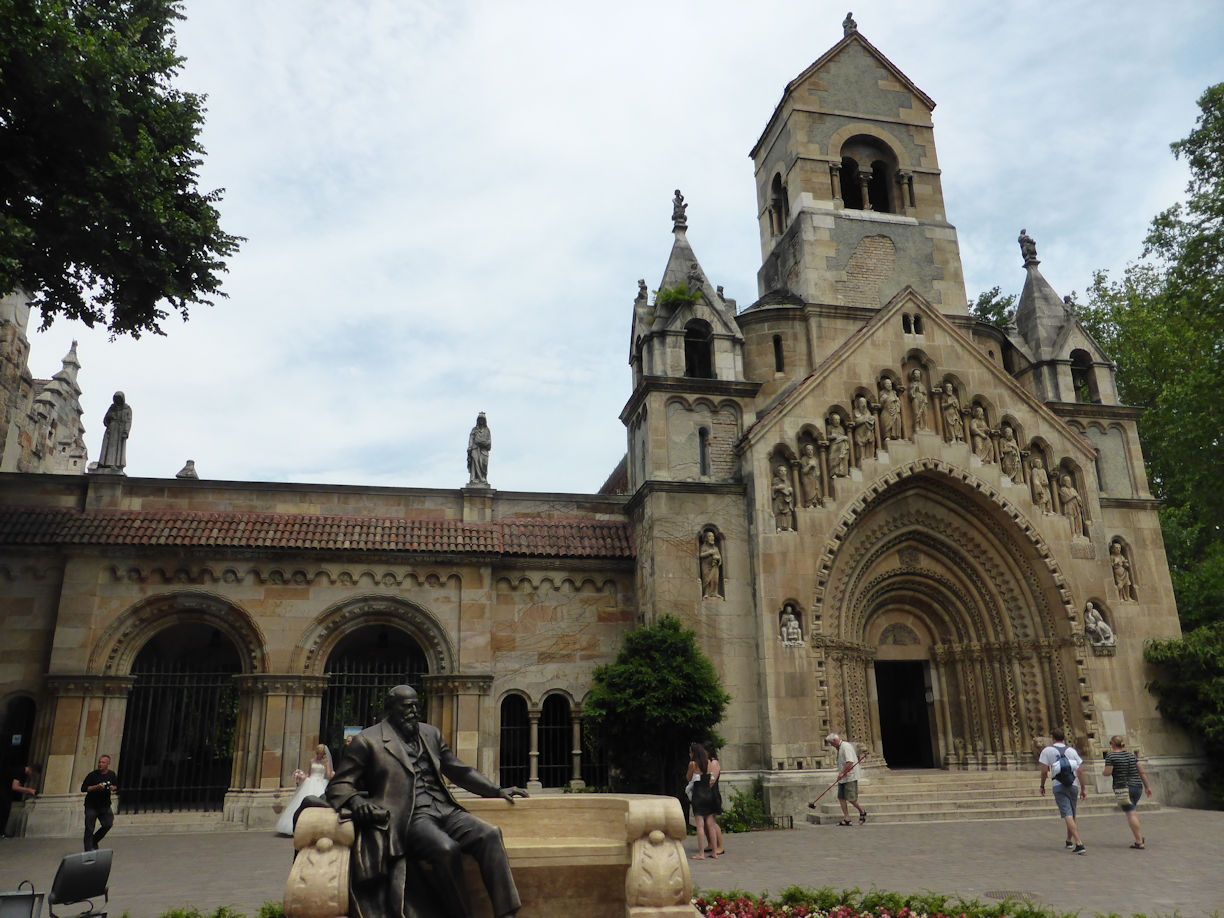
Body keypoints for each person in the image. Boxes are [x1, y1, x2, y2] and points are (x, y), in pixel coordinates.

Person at [325, 685, 527, 918]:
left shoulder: (431, 733)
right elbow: (340, 784)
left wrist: (496, 790)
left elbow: (458, 770)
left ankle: (507, 914)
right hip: (409, 817)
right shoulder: (367, 741)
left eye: (416, 705)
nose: (414, 711)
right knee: (446, 849)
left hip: (444, 808)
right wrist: (358, 803)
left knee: (490, 834)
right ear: (391, 709)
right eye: (407, 706)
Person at [1038, 728, 1087, 854]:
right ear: (1063, 738)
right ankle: (1069, 840)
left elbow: (1044, 771)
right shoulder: (1072, 750)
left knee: (1067, 813)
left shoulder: (1047, 751)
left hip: (1058, 785)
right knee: (1072, 813)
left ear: (1052, 738)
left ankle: (1079, 843)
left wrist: (1042, 785)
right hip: (1073, 784)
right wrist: (1083, 788)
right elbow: (1080, 771)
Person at [1102, 735, 1152, 848]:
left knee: (1130, 813)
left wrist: (1103, 772)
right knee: (1133, 810)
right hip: (1137, 786)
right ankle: (1139, 836)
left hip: (1123, 787)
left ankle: (1139, 841)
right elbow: (1142, 772)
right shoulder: (1131, 755)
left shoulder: (1111, 756)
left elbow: (1108, 772)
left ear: (1113, 744)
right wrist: (1147, 787)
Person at [276, 744, 336, 836]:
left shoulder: (326, 762)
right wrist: (301, 776)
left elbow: (327, 774)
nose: (318, 754)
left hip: (320, 782)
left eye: (320, 752)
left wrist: (333, 775)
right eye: (318, 752)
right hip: (310, 781)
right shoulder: (312, 761)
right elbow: (309, 773)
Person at [685, 743, 721, 859]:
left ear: (694, 753)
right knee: (710, 825)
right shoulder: (709, 763)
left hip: (698, 795)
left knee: (700, 825)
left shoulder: (693, 764)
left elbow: (688, 778)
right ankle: (714, 852)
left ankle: (701, 853)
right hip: (708, 794)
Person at [826, 733, 866, 826]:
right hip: (843, 777)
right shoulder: (839, 748)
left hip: (849, 776)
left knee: (850, 798)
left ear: (835, 741)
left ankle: (862, 811)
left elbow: (850, 762)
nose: (831, 745)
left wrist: (843, 773)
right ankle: (847, 818)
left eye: (831, 743)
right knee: (841, 797)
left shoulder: (845, 747)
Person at [81, 754, 118, 851]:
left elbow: (116, 786)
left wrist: (113, 788)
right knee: (89, 828)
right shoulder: (92, 775)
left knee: (108, 824)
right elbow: (84, 788)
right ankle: (88, 850)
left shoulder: (112, 774)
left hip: (105, 806)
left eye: (103, 762)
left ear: (108, 764)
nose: (100, 764)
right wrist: (96, 787)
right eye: (99, 762)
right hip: (91, 805)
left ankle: (94, 840)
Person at [97, 391, 133, 472]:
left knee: (118, 448)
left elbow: (128, 421)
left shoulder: (127, 408)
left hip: (120, 431)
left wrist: (126, 431)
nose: (118, 400)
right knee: (109, 446)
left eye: (119, 398)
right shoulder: (112, 408)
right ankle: (105, 463)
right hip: (111, 429)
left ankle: (117, 465)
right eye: (116, 399)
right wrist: (110, 416)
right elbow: (105, 420)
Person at [2, 763, 39, 838]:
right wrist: (29, 790)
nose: (31, 777)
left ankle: (2, 832)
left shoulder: (19, 770)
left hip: (5, 792)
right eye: (33, 775)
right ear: (32, 771)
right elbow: (15, 787)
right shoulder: (20, 772)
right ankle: (1, 833)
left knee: (5, 811)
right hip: (3, 793)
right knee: (4, 812)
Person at [466, 412, 492, 485]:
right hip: (475, 448)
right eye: (480, 419)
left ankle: (483, 478)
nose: (481, 421)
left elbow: (489, 443)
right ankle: (474, 479)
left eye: (482, 419)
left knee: (484, 465)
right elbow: (471, 439)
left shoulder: (487, 430)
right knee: (475, 463)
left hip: (484, 451)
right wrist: (470, 447)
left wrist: (480, 442)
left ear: (484, 421)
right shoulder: (474, 430)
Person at [699, 530, 722, 599]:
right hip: (706, 566)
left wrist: (717, 559)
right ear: (706, 538)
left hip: (714, 566)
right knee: (707, 580)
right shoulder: (704, 547)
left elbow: (720, 558)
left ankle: (714, 593)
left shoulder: (716, 548)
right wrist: (709, 552)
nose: (712, 538)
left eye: (713, 536)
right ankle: (706, 593)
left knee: (715, 580)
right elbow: (701, 555)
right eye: (710, 536)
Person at [799, 443, 822, 507]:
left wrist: (817, 473)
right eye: (808, 450)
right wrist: (810, 465)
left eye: (811, 449)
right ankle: (809, 504)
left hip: (814, 478)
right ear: (805, 451)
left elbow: (818, 471)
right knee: (808, 492)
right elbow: (804, 471)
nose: (810, 451)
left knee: (816, 490)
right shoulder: (803, 459)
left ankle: (816, 503)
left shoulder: (815, 459)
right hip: (807, 479)